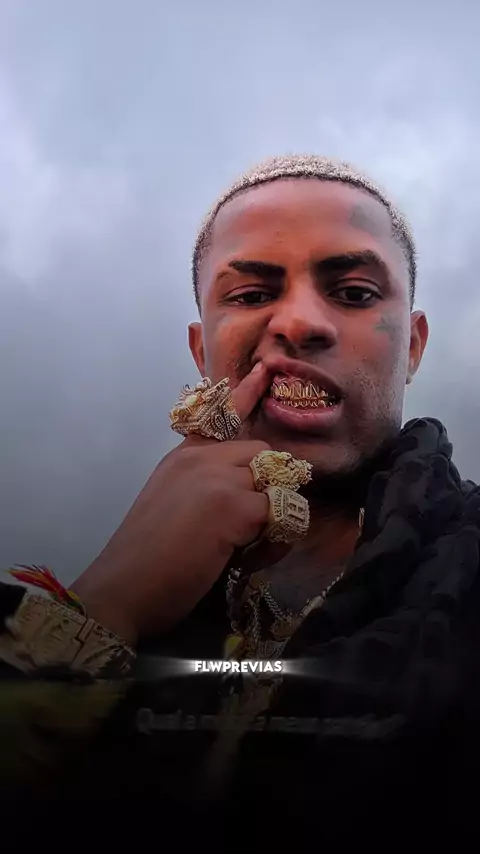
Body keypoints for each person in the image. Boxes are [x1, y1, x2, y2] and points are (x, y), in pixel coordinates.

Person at [1, 154, 480, 845]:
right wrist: (105, 608)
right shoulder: (126, 585)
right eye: (252, 295)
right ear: (202, 352)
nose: (300, 323)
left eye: (353, 293)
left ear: (413, 346)